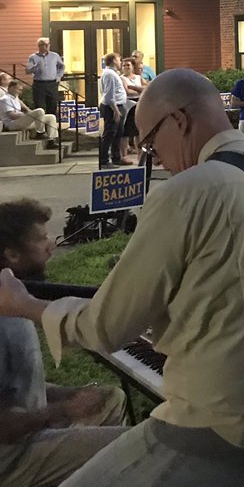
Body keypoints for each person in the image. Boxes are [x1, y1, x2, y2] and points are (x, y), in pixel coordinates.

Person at [0, 68, 244, 485]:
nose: (156, 157)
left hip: (224, 423)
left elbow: (105, 326)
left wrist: (24, 304)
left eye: (150, 143)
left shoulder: (184, 192)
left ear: (179, 121)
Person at [0, 198, 129, 486]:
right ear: (12, 255)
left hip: (24, 433)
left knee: (111, 399)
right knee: (130, 446)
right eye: (42, 239)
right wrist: (65, 411)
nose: (52, 245)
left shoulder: (14, 300)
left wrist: (68, 394)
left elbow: (13, 386)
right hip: (11, 458)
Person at [0, 73, 59, 145]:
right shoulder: (5, 99)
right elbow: (12, 115)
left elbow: (24, 107)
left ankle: (52, 140)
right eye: (19, 90)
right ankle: (40, 133)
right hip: (12, 124)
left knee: (51, 117)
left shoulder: (15, 97)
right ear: (12, 88)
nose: (20, 92)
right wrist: (28, 115)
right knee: (40, 111)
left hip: (20, 120)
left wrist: (30, 113)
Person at [98, 53, 129, 166]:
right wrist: (116, 111)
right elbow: (109, 95)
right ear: (114, 61)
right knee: (109, 133)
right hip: (112, 107)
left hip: (118, 105)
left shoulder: (113, 73)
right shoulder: (110, 74)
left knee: (118, 133)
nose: (120, 62)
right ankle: (104, 160)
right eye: (119, 60)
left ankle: (116, 157)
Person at [25, 38, 64, 122]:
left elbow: (62, 67)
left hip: (52, 84)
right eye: (43, 44)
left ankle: (52, 128)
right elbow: (28, 70)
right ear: (39, 46)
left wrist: (58, 76)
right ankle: (41, 130)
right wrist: (36, 66)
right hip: (39, 84)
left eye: (47, 44)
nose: (46, 46)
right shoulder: (33, 57)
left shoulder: (55, 56)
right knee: (40, 107)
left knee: (52, 105)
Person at [119, 57, 145, 163]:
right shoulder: (121, 78)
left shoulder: (139, 77)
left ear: (133, 66)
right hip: (128, 106)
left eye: (128, 65)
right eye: (124, 65)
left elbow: (147, 88)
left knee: (138, 132)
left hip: (139, 105)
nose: (126, 67)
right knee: (125, 133)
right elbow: (127, 92)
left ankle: (140, 156)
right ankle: (124, 156)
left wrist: (133, 87)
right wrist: (139, 89)